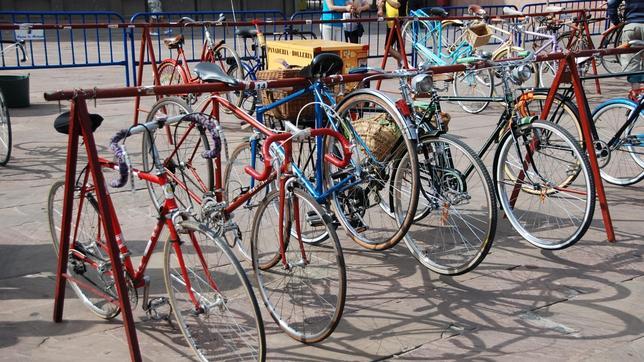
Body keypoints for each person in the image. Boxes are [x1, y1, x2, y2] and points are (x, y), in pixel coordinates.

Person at [608, 0, 644, 96]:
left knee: (632, 62)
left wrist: (616, 22)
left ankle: (636, 94)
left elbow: (611, 3)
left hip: (632, 26)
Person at [377, 0, 409, 67]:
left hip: (400, 22)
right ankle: (404, 63)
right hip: (391, 24)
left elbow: (397, 5)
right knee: (389, 47)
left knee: (399, 47)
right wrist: (380, 9)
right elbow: (380, 2)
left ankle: (403, 64)